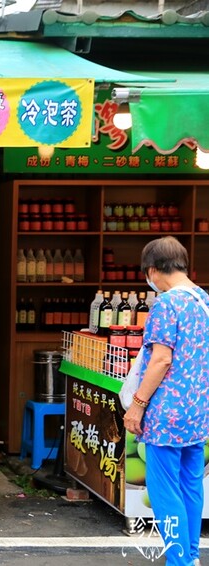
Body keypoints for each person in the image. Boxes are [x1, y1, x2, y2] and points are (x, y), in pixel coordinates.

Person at [124, 236, 209, 566]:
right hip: (197, 411)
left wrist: (138, 404)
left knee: (163, 493)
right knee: (190, 486)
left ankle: (179, 561)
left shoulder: (166, 304)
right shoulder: (203, 300)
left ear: (153, 269)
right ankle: (189, 555)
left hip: (166, 414)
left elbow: (161, 360)